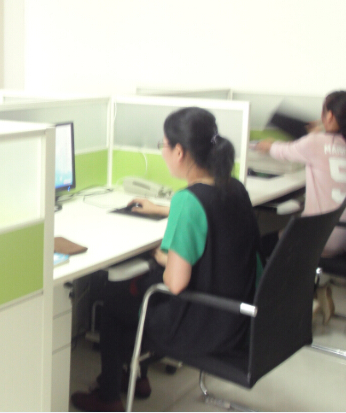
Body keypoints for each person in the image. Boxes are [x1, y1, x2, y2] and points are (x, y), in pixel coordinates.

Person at [71, 107, 261, 412]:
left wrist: (163, 257)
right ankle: (137, 377)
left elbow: (175, 283)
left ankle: (108, 397)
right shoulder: (234, 186)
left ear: (180, 151)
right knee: (139, 284)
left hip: (201, 326)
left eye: (164, 145)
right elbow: (213, 220)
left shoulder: (188, 201)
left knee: (115, 302)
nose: (162, 152)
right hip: (235, 318)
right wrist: (162, 211)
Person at [255, 91, 346, 322]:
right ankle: (314, 293)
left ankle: (284, 305)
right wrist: (321, 132)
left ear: (330, 116)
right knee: (287, 232)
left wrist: (263, 144)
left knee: (260, 245)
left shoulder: (316, 143)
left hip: (321, 237)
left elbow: (279, 150)